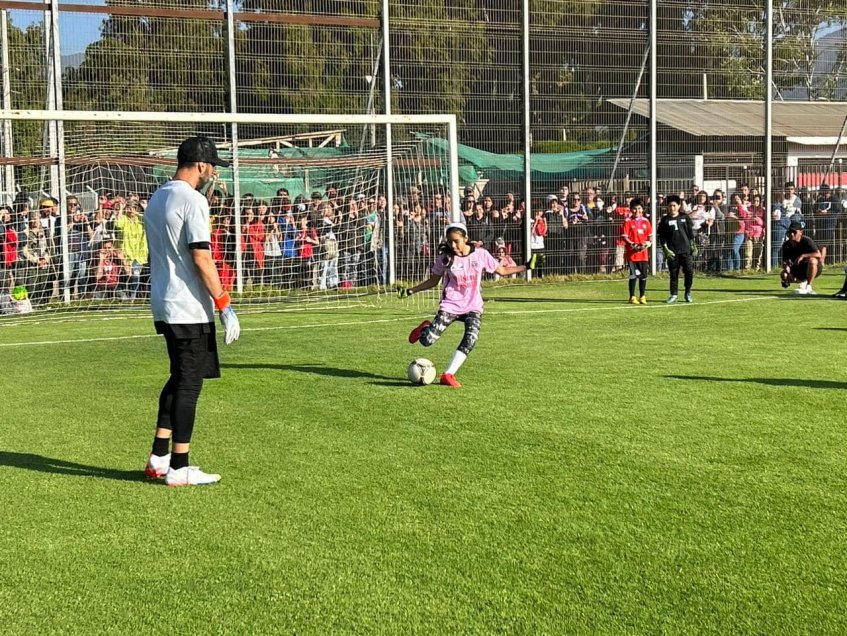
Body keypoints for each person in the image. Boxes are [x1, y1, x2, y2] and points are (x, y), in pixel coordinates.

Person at [143, 136, 240, 488]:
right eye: (211, 165)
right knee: (189, 383)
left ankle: (159, 457)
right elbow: (201, 256)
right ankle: (180, 466)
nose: (213, 172)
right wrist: (225, 303)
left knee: (177, 376)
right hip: (187, 306)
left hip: (164, 302)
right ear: (200, 165)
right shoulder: (194, 200)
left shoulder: (158, 197)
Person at [398, 222, 532, 388]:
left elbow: (502, 271)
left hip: (473, 306)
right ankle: (424, 329)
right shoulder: (445, 259)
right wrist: (411, 290)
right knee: (427, 341)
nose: (453, 245)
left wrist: (527, 266)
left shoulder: (481, 255)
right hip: (451, 305)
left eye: (456, 241)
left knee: (471, 338)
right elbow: (433, 281)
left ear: (465, 238)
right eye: (449, 242)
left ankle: (448, 374)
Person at [657, 195, 696, 304]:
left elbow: (690, 232)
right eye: (670, 206)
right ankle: (674, 294)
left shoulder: (684, 217)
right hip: (673, 251)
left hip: (685, 250)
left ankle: (688, 292)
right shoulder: (665, 220)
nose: (672, 208)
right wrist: (665, 249)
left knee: (689, 271)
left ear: (678, 206)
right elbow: (661, 236)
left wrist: (693, 244)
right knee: (673, 273)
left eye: (674, 206)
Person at [621, 198, 652, 304]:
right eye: (634, 209)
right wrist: (633, 245)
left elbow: (650, 237)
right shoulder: (628, 221)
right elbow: (625, 237)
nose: (637, 211)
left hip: (643, 254)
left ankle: (642, 296)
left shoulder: (646, 221)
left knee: (643, 275)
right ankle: (632, 296)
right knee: (634, 274)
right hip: (632, 254)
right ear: (631, 209)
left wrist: (646, 244)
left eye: (639, 208)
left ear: (642, 209)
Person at [779, 221, 822, 295]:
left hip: (811, 266)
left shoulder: (807, 241)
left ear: (801, 232)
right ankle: (801, 281)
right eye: (789, 232)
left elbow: (818, 254)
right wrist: (787, 269)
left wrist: (802, 256)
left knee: (812, 261)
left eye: (794, 232)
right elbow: (785, 261)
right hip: (798, 268)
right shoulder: (786, 245)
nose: (791, 234)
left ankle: (808, 286)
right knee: (784, 275)